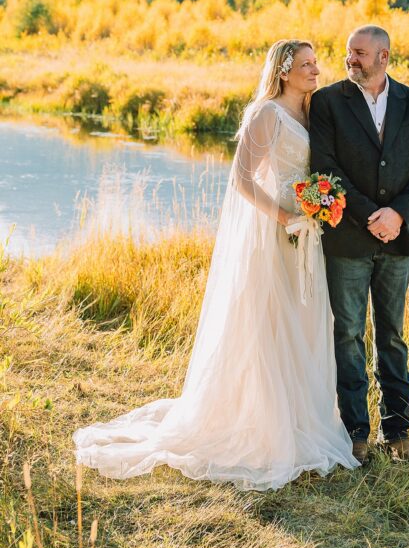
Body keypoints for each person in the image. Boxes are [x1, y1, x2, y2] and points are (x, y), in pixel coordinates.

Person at [73, 40, 359, 490]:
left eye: (316, 63)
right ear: (283, 71)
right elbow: (242, 179)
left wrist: (317, 208)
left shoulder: (311, 112)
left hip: (307, 234)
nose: (315, 70)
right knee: (268, 323)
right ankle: (266, 426)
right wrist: (284, 216)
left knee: (303, 321)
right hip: (274, 231)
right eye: (306, 64)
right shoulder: (266, 114)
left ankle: (302, 417)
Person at [309, 25, 409, 465]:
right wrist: (370, 216)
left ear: (384, 56)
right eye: (349, 52)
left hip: (398, 239)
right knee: (348, 334)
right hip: (347, 237)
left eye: (360, 53)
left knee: (393, 336)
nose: (351, 60)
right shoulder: (328, 102)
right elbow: (325, 168)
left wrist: (397, 214)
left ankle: (397, 432)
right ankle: (355, 433)